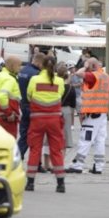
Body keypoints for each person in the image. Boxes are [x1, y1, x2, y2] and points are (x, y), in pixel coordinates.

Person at [25, 56, 66, 193]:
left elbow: (29, 96)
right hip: (54, 119)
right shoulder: (59, 81)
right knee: (56, 150)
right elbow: (60, 95)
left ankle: (30, 183)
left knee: (35, 149)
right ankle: (60, 184)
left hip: (37, 119)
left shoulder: (34, 80)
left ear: (41, 65)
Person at [65, 57, 109, 174]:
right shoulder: (106, 77)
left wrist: (85, 66)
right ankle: (98, 166)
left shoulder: (93, 75)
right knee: (100, 140)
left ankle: (78, 165)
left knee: (85, 139)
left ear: (93, 66)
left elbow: (78, 73)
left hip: (92, 114)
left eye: (88, 66)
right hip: (102, 114)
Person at [17, 52, 45, 160]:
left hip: (23, 104)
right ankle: (21, 155)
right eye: (43, 64)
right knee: (34, 135)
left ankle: (19, 154)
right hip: (32, 106)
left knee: (24, 132)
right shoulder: (36, 74)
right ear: (39, 62)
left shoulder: (23, 71)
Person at [0, 56, 22, 138]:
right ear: (12, 66)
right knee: (10, 144)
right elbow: (2, 96)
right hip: (7, 118)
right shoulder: (10, 79)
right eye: (19, 65)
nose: (20, 68)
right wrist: (9, 113)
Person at [57, 65, 76, 149]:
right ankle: (68, 143)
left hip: (56, 107)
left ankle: (58, 141)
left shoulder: (56, 85)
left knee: (57, 127)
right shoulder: (70, 87)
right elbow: (73, 101)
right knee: (67, 126)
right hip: (67, 108)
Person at [69, 60, 83, 125]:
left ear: (74, 68)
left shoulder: (78, 75)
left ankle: (82, 125)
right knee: (72, 111)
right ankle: (72, 124)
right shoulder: (69, 76)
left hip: (78, 94)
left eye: (72, 68)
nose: (71, 70)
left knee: (80, 111)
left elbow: (81, 83)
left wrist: (73, 85)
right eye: (70, 69)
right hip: (71, 95)